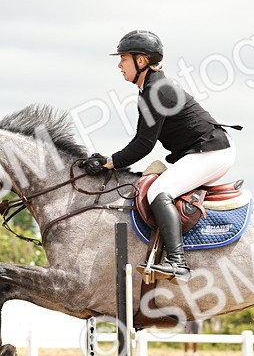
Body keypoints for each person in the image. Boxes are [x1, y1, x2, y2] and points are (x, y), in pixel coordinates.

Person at [87, 30, 237, 282]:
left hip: (211, 151)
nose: (119, 64)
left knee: (159, 192)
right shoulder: (151, 89)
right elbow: (141, 141)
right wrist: (110, 159)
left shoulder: (156, 91)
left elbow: (143, 145)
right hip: (206, 150)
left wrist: (109, 162)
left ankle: (178, 263)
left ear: (141, 61)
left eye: (123, 58)